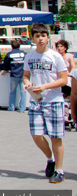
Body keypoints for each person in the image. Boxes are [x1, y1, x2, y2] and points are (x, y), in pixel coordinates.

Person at [23, 23, 68, 184]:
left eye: (43, 36)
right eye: (37, 36)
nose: (40, 39)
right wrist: (27, 83)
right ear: (33, 38)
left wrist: (45, 86)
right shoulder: (30, 56)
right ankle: (50, 159)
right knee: (36, 134)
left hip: (54, 101)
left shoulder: (56, 57)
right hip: (36, 101)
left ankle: (60, 170)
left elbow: (64, 80)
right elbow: (26, 75)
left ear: (48, 38)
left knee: (56, 136)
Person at [0, 39, 28, 112]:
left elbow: (5, 64)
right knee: (23, 92)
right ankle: (22, 108)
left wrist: (5, 70)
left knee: (12, 92)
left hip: (14, 75)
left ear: (11, 46)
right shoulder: (24, 53)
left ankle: (11, 107)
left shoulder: (9, 54)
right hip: (23, 75)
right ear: (19, 46)